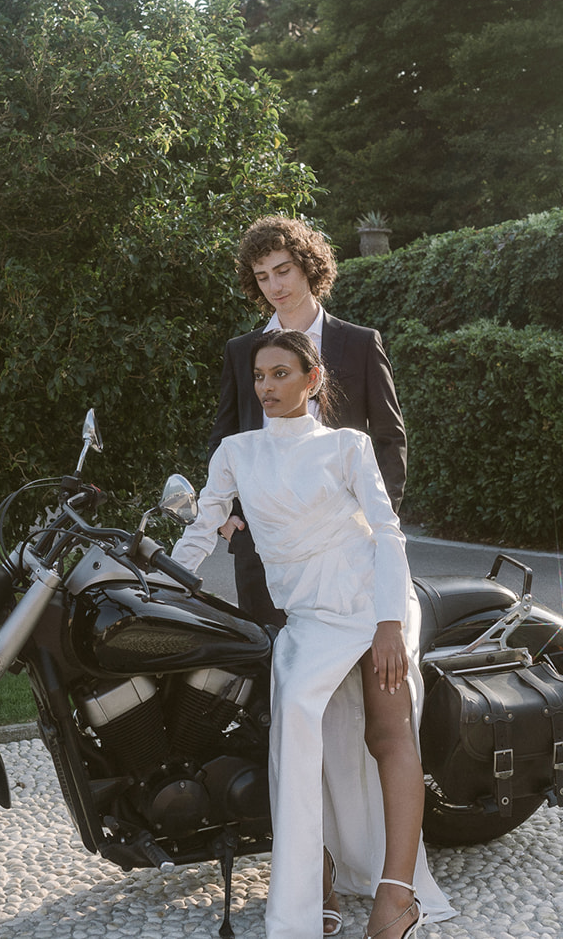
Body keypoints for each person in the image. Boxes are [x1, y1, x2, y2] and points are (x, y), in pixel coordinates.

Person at [173, 330, 453, 939]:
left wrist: (387, 625)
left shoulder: (348, 446)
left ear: (312, 379)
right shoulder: (236, 452)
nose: (267, 387)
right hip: (308, 618)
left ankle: (398, 893)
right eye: (259, 376)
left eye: (280, 374)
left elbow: (387, 533)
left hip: (368, 599)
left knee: (388, 730)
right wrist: (163, 579)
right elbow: (204, 527)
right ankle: (309, 883)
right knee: (298, 729)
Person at [208, 215, 407, 630]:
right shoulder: (242, 350)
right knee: (265, 667)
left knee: (342, 666)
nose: (275, 287)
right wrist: (226, 519)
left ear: (309, 267)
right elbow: (224, 437)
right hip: (261, 543)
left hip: (342, 546)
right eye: (262, 277)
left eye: (283, 271)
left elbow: (390, 439)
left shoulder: (360, 343)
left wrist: (374, 524)